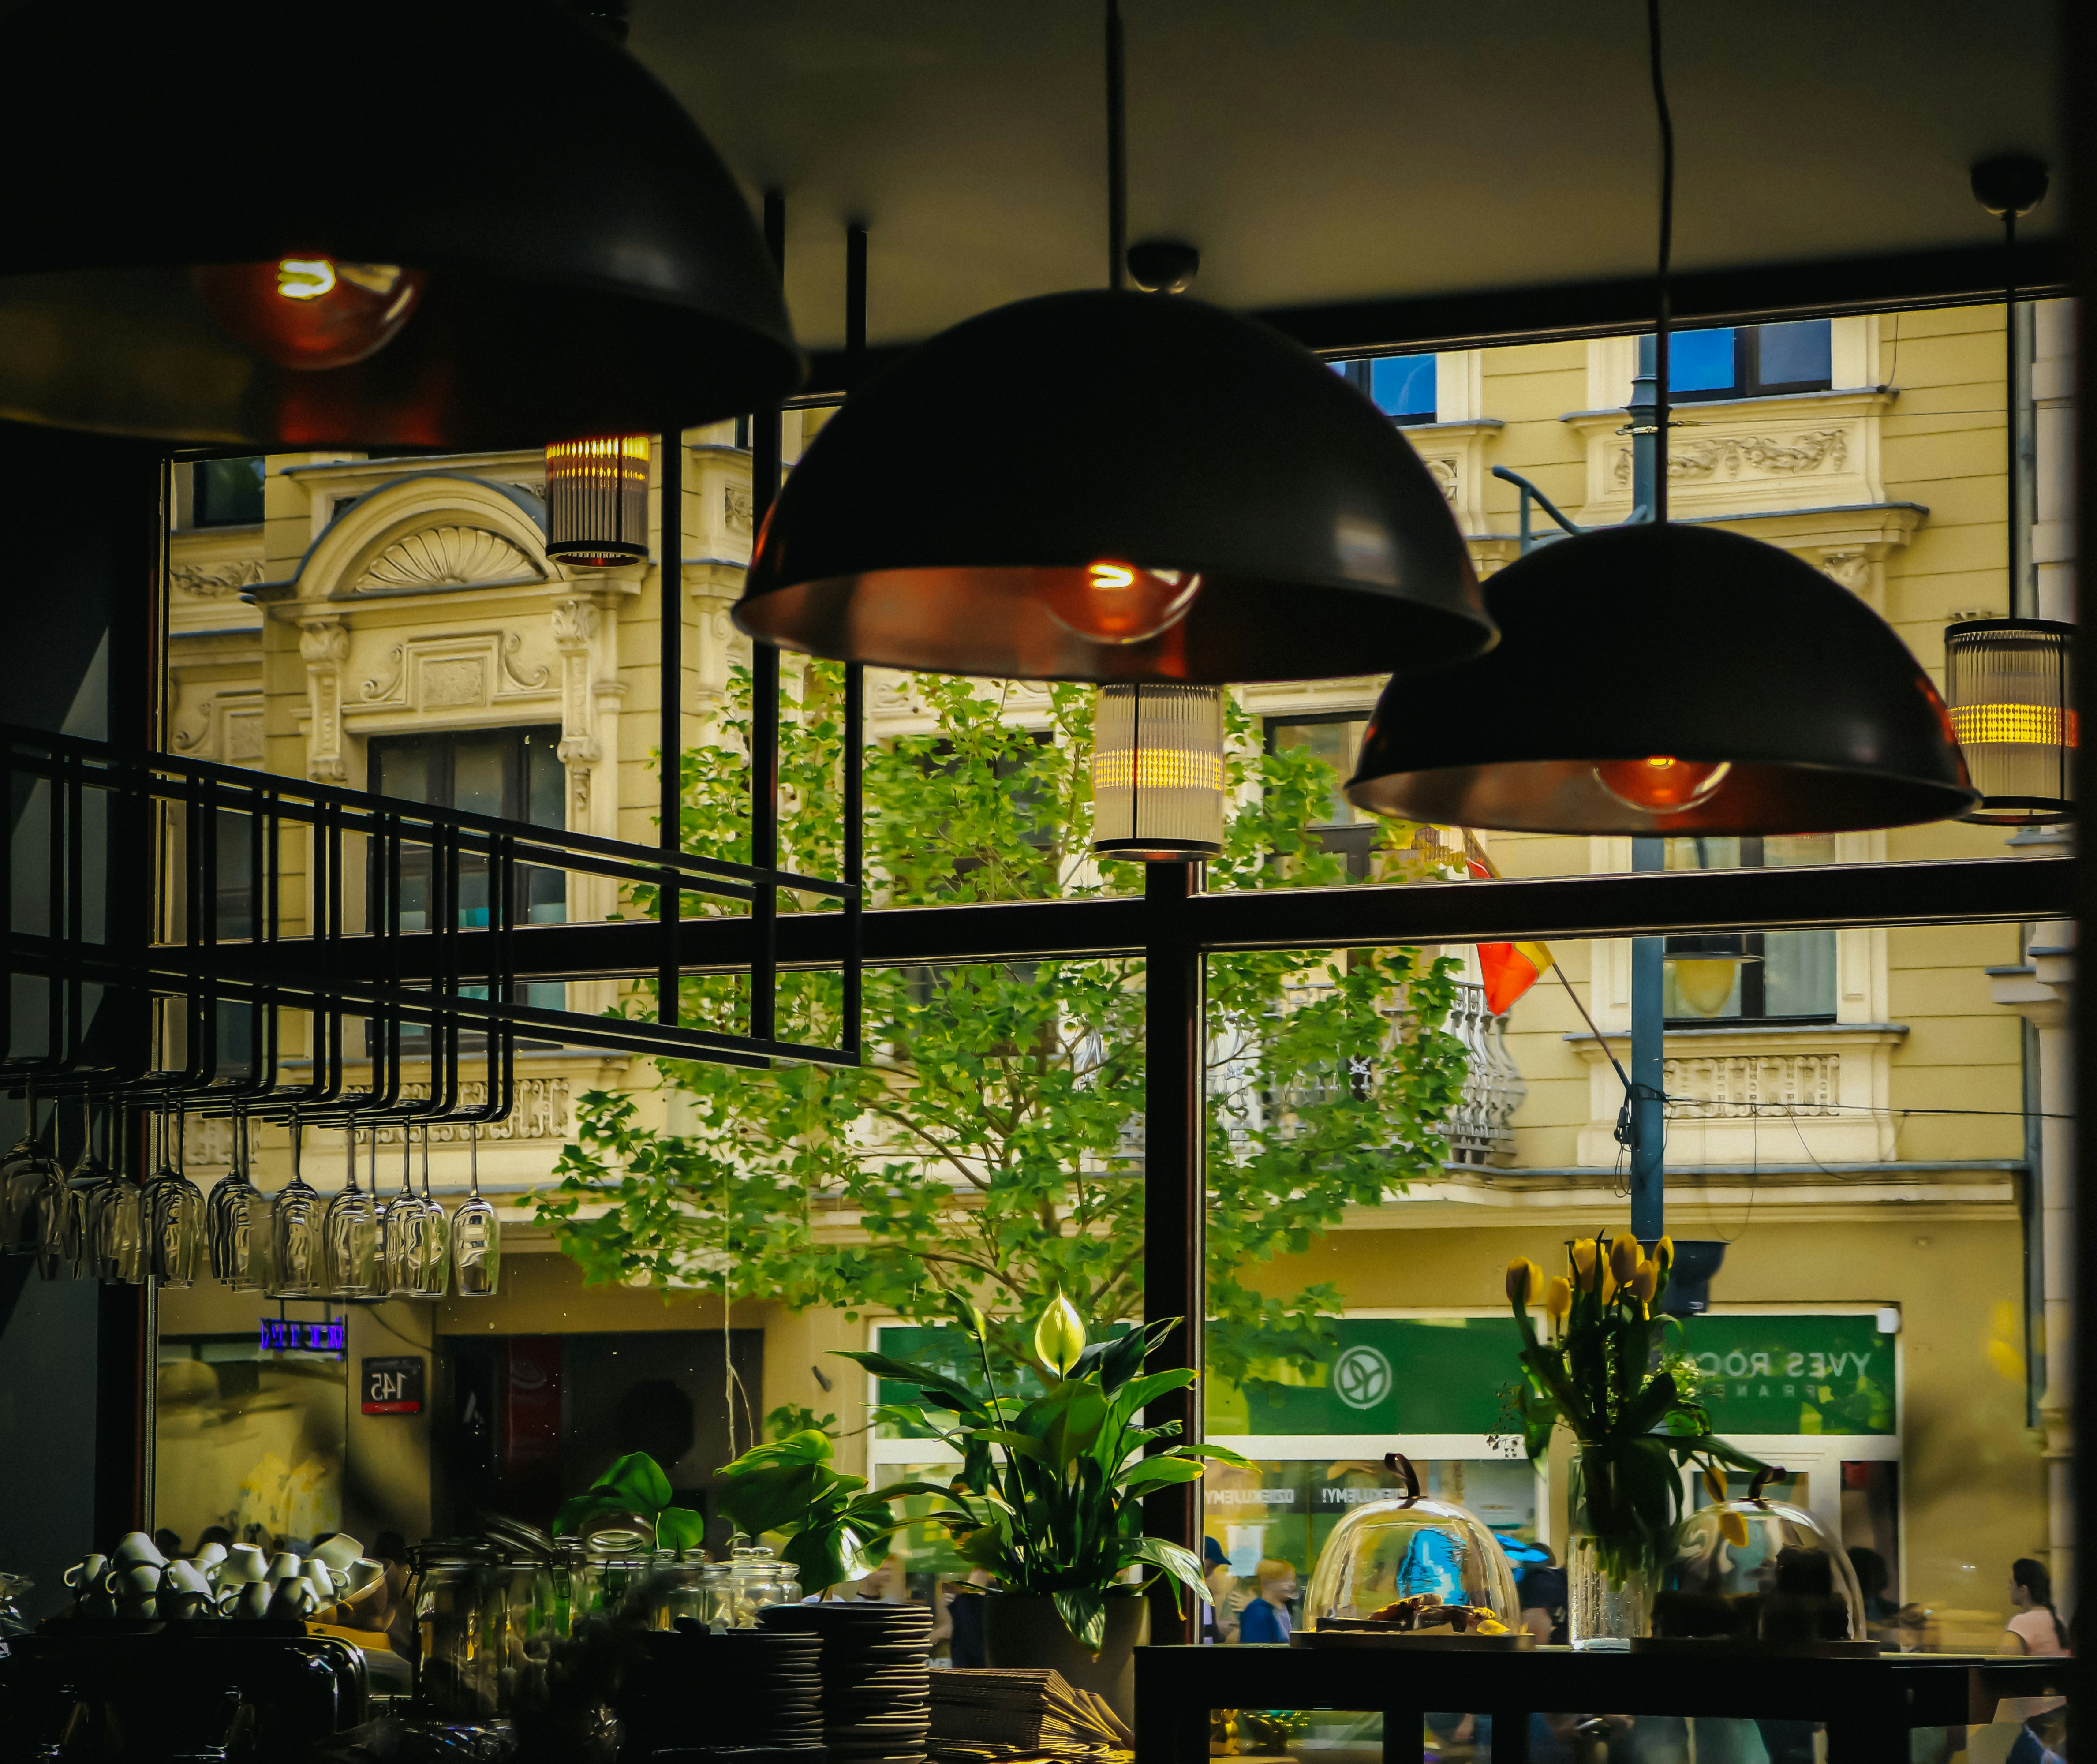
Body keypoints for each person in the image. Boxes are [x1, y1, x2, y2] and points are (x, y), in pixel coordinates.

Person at [2000, 1558, 2068, 1764]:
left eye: (2012, 1582)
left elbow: (2001, 1673)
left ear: (2024, 1589)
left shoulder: (2021, 1623)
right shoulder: (2059, 1620)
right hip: (2059, 1717)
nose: (2008, 1586)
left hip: (2032, 1723)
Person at [1236, 1558, 1296, 1645]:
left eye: (1292, 1580)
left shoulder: (1282, 1609)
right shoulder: (1258, 1612)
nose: (1293, 1585)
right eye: (1285, 1580)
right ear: (1267, 1583)